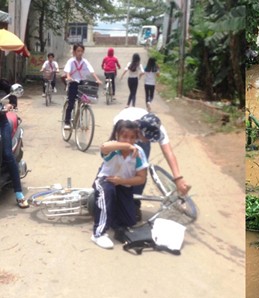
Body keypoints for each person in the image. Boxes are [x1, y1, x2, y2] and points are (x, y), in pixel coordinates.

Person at [113, 107, 190, 219]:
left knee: (141, 170)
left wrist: (178, 178)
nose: (148, 140)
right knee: (120, 164)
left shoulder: (158, 129)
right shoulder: (123, 122)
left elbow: (168, 152)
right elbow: (113, 144)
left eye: (150, 139)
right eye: (146, 137)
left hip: (141, 131)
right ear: (139, 131)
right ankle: (114, 197)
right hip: (125, 130)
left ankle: (134, 204)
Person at [91, 120, 148, 249]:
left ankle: (106, 213)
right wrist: (126, 146)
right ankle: (98, 233)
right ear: (117, 135)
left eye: (132, 137)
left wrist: (122, 181)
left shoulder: (138, 153)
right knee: (108, 191)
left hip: (123, 185)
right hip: (106, 180)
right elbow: (104, 147)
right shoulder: (113, 148)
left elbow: (141, 178)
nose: (128, 140)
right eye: (124, 136)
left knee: (129, 221)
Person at [0, 80, 28, 208]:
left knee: (7, 154)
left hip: (2, 123)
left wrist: (11, 104)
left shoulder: (1, 82)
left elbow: (11, 92)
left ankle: (19, 194)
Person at [63, 43, 102, 129]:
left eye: (81, 51)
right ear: (74, 52)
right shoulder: (71, 61)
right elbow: (67, 71)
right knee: (71, 102)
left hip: (82, 83)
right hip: (73, 82)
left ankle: (80, 117)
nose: (80, 53)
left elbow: (91, 71)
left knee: (84, 100)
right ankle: (67, 122)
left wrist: (97, 79)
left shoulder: (85, 62)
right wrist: (69, 77)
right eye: (78, 51)